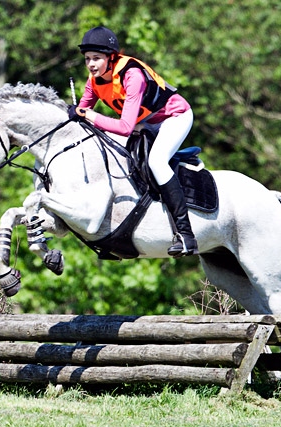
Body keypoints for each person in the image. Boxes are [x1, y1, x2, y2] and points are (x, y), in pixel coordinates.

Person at [70, 26, 198, 257]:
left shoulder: (132, 76)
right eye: (88, 59)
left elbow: (124, 127)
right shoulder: (94, 80)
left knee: (156, 162)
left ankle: (186, 235)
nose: (90, 64)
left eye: (96, 59)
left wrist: (86, 114)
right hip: (145, 123)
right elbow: (82, 111)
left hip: (173, 118)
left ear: (111, 58)